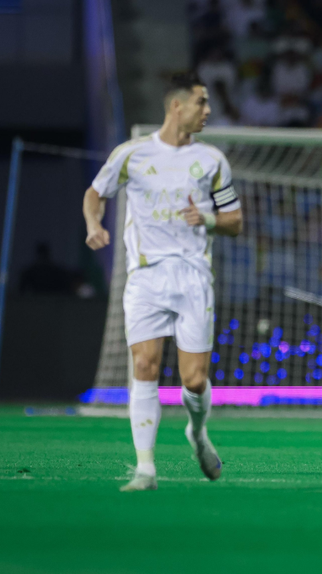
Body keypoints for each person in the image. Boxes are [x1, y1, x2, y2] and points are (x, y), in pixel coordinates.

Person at [82, 72, 243, 491]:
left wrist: (207, 218)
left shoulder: (212, 161)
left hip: (193, 278)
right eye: (201, 102)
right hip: (146, 276)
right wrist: (93, 224)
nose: (208, 111)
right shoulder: (131, 154)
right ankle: (145, 469)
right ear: (177, 106)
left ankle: (197, 432)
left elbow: (235, 220)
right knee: (144, 366)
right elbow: (95, 192)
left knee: (194, 380)